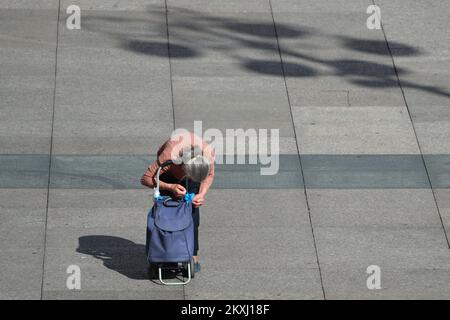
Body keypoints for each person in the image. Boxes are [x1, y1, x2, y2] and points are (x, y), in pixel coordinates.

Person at [141, 131, 215, 272]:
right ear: (182, 168)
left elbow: (209, 175)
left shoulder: (208, 154)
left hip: (191, 167)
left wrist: (201, 194)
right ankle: (161, 250)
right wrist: (170, 186)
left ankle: (192, 254)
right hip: (169, 174)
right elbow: (145, 178)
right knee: (165, 211)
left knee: (192, 210)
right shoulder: (169, 157)